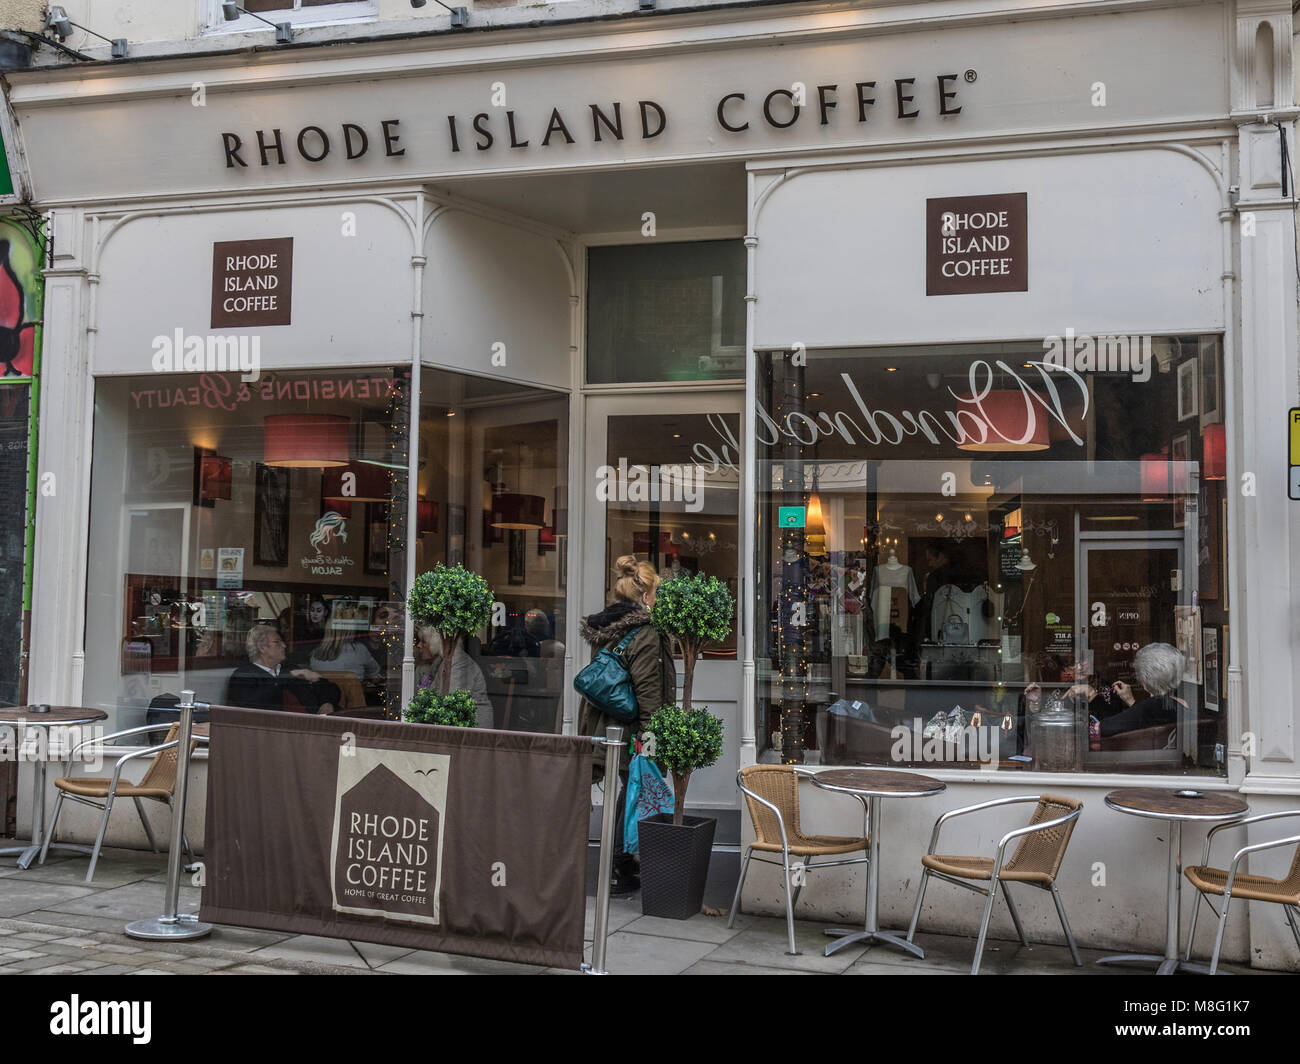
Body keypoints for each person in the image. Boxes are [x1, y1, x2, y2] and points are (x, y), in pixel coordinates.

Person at [578, 554, 676, 895]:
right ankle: (621, 864)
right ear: (646, 595)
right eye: (657, 593)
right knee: (634, 789)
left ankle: (618, 862)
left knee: (626, 789)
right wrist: (651, 743)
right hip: (632, 728)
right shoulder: (645, 632)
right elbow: (649, 690)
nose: (659, 600)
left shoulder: (607, 625)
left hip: (603, 724)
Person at [226, 624, 340, 714]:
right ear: (262, 647)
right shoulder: (244, 675)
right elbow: (251, 704)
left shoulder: (289, 668)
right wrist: (289, 676)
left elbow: (330, 688)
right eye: (277, 642)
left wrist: (327, 703)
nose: (284, 645)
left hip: (312, 726)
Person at [1095, 642, 1187, 738]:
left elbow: (1101, 728)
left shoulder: (1152, 706)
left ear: (1144, 681)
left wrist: (1093, 695)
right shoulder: (1182, 704)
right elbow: (1145, 719)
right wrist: (1130, 701)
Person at [416, 624, 493, 728]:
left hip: (473, 730)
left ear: (435, 643)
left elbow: (449, 702)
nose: (419, 645)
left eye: (423, 641)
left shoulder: (457, 662)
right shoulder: (439, 663)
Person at [310, 613, 382, 680]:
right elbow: (374, 672)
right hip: (352, 693)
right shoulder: (359, 649)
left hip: (324, 693)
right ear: (351, 629)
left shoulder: (315, 654)